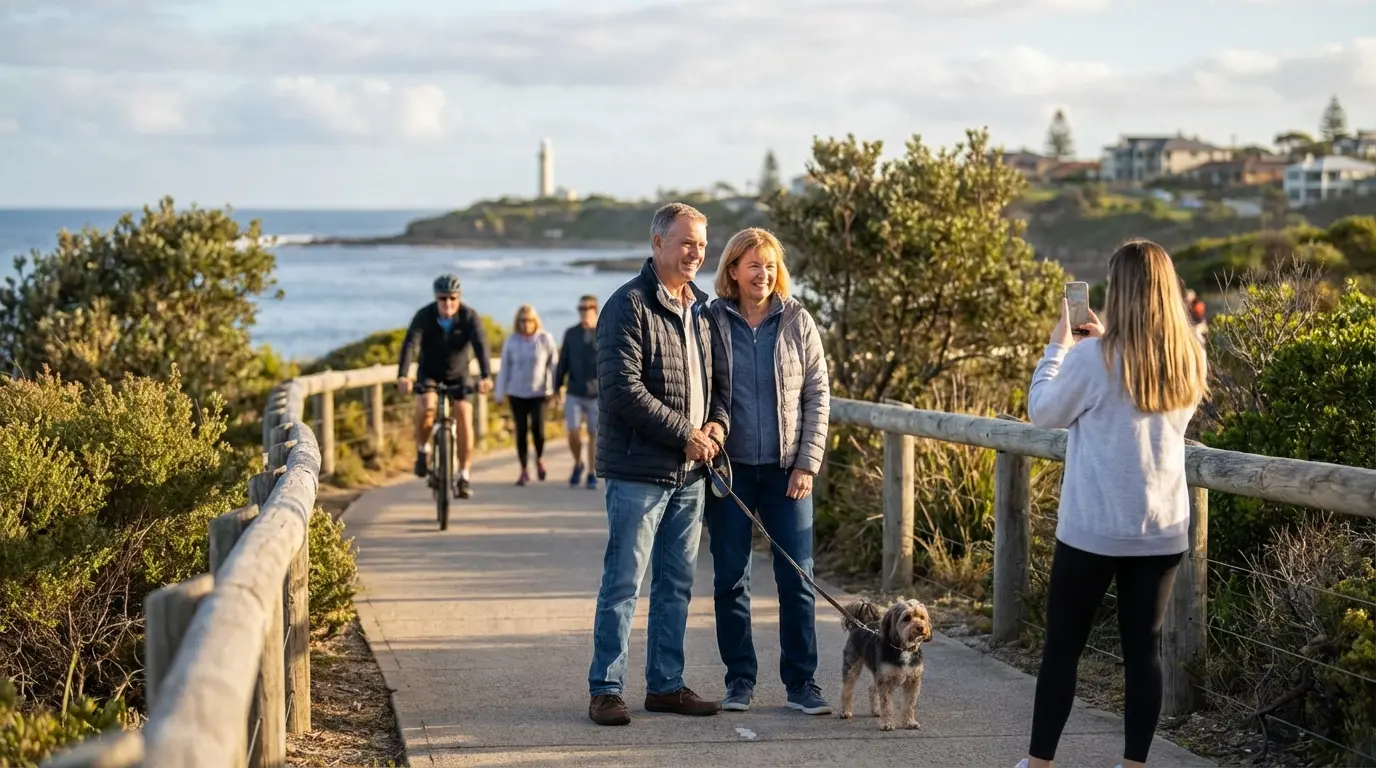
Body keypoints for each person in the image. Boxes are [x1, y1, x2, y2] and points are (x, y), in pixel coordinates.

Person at [1017, 240, 1208, 768]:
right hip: (1161, 528)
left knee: (1063, 649)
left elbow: (1043, 411)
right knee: (1142, 654)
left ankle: (1039, 763)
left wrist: (1059, 347)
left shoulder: (1092, 358)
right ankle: (1134, 765)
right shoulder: (1189, 356)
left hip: (1092, 529)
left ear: (1117, 290)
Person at [586, 202, 731, 727]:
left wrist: (715, 427)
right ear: (658, 244)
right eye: (686, 242)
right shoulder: (626, 306)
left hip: (692, 474)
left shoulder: (704, 309)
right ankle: (606, 688)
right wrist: (684, 434)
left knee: (676, 585)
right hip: (638, 473)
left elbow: (717, 386)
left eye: (701, 244)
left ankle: (666, 686)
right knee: (624, 582)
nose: (695, 252)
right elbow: (622, 390)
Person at [704, 228, 832, 716]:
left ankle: (802, 683)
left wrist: (807, 462)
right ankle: (739, 679)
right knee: (730, 579)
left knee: (797, 577)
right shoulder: (710, 320)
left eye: (771, 265)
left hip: (787, 473)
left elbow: (817, 393)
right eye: (754, 264)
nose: (764, 273)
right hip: (730, 472)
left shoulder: (797, 320)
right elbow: (700, 384)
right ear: (733, 270)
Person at [397, 273, 494, 500]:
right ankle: (423, 449)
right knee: (427, 406)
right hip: (429, 373)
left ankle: (463, 474)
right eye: (443, 299)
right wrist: (403, 375)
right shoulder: (424, 316)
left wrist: (486, 375)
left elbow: (481, 345)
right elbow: (410, 344)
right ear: (436, 298)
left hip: (458, 375)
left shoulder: (469, 316)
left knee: (463, 413)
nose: (448, 304)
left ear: (458, 298)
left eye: (452, 298)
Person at [494, 304, 559, 486]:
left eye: (529, 320)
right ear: (518, 322)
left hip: (539, 392)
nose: (526, 324)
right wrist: (500, 392)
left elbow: (553, 365)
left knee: (538, 429)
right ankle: (523, 469)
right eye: (522, 321)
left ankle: (539, 458)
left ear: (535, 321)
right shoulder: (512, 341)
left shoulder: (545, 339)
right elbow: (505, 367)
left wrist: (553, 389)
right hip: (517, 392)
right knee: (521, 431)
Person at [553, 294, 600, 489]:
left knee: (593, 434)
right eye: (581, 308)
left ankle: (591, 472)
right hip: (574, 391)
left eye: (587, 308)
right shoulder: (571, 333)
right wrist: (556, 388)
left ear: (595, 310)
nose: (584, 312)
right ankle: (578, 463)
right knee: (573, 431)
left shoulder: (604, 332)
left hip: (597, 393)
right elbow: (562, 361)